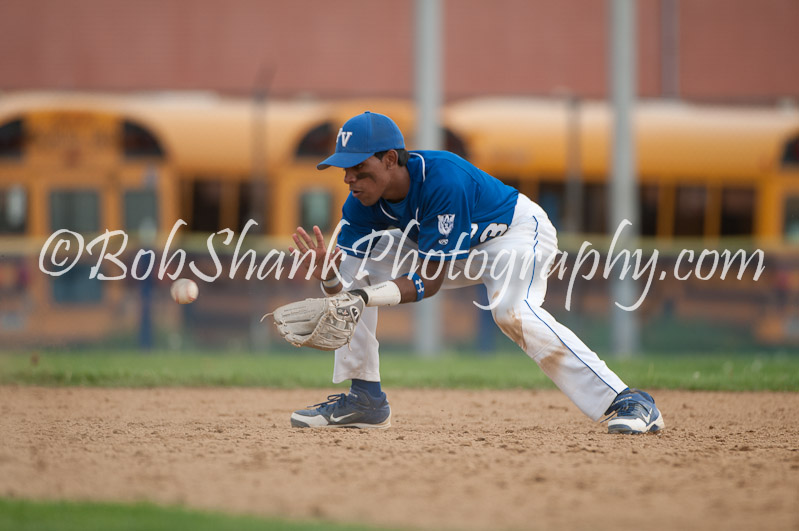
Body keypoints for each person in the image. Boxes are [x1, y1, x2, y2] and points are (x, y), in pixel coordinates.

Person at [287, 111, 664, 434]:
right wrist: (330, 279)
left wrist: (361, 295)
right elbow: (346, 295)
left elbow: (427, 282)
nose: (349, 179)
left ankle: (627, 399)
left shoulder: (442, 179)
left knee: (511, 312)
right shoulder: (360, 205)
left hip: (512, 234)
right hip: (448, 246)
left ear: (389, 160)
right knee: (360, 266)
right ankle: (365, 399)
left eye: (359, 168)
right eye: (345, 170)